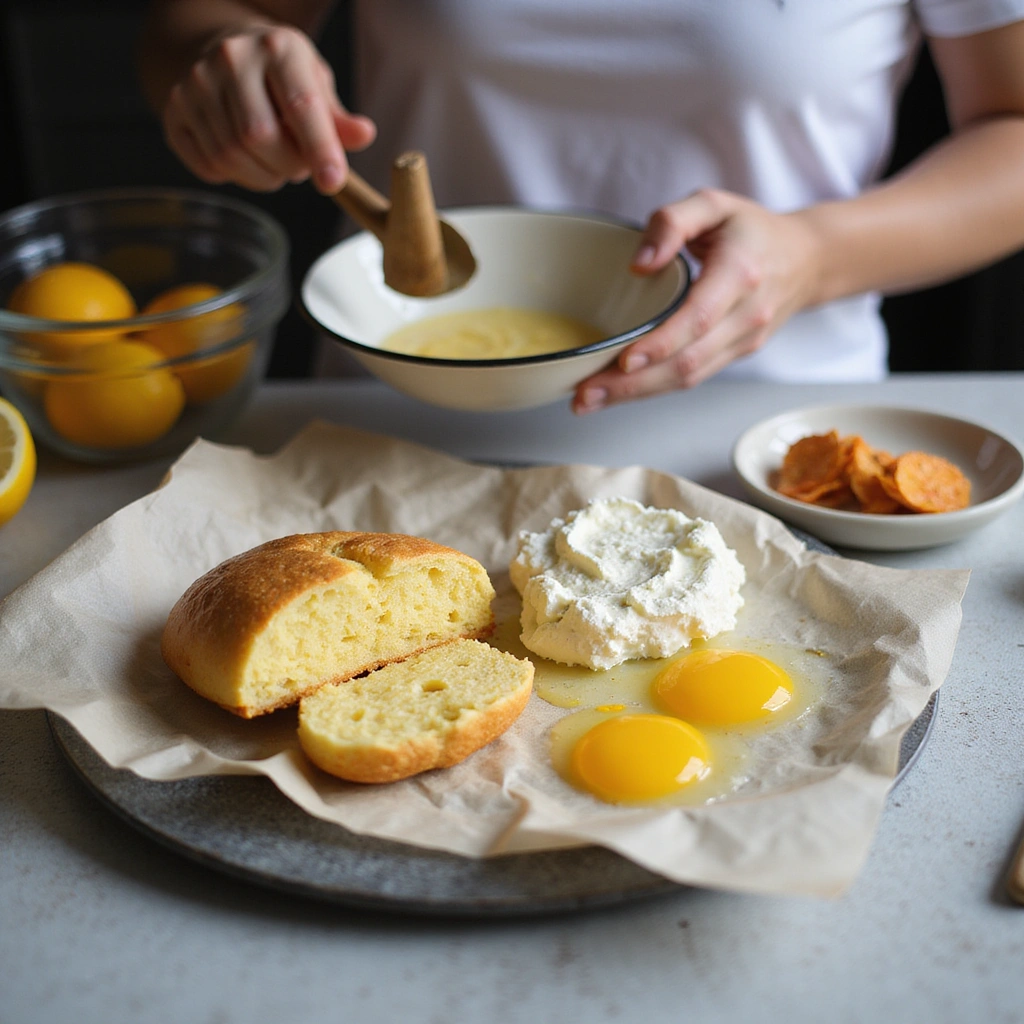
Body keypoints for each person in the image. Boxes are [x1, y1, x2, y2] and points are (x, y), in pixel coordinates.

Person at [138, 1, 1024, 414]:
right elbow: (192, 29)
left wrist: (814, 255)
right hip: (400, 416)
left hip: (765, 426)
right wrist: (225, 66)